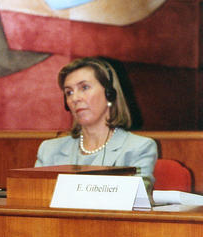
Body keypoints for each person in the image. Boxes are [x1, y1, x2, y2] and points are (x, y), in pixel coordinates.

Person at [35, 57, 158, 189]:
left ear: (109, 94)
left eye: (84, 87)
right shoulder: (49, 150)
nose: (75, 98)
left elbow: (134, 201)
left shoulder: (138, 148)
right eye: (69, 92)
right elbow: (33, 200)